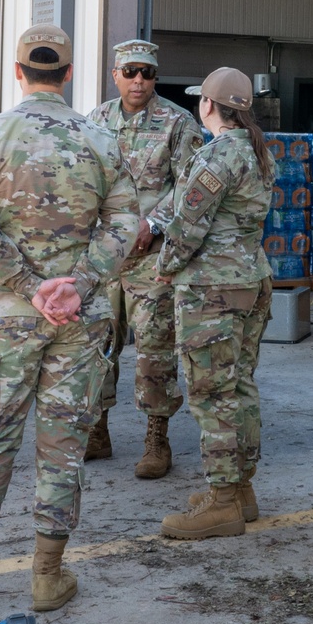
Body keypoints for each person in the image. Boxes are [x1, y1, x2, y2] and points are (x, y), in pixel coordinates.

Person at [0, 25, 139, 619]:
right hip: (81, 317)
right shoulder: (102, 139)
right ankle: (47, 577)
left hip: (9, 318)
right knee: (64, 445)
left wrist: (25, 285)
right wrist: (80, 284)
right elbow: (126, 227)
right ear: (67, 73)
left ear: (18, 71)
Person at [158, 67, 275, 540]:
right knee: (240, 386)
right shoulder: (257, 152)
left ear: (208, 105)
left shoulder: (216, 158)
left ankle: (223, 502)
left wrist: (164, 267)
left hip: (213, 290)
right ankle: (241, 490)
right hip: (251, 279)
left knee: (212, 393)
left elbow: (186, 229)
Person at [86, 40, 203, 477]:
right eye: (131, 71)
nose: (139, 80)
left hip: (152, 257)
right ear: (115, 74)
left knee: (154, 347)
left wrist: (150, 224)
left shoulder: (177, 122)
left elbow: (191, 186)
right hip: (103, 257)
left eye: (147, 73)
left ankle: (157, 438)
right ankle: (97, 430)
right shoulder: (96, 120)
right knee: (96, 343)